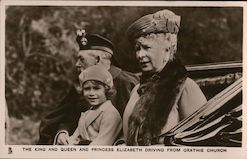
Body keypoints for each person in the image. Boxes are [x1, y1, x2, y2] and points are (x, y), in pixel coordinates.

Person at [38, 29, 139, 145]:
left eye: (81, 59)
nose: (77, 64)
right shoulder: (81, 83)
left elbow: (135, 128)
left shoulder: (128, 84)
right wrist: (62, 133)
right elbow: (65, 117)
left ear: (98, 60)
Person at [122, 9, 207, 146]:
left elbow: (199, 143)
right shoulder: (137, 89)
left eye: (146, 47)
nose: (140, 55)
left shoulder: (185, 87)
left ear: (167, 47)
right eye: (137, 48)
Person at [55, 65, 122, 145]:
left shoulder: (110, 114)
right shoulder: (87, 113)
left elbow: (101, 145)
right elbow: (74, 138)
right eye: (87, 89)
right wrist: (66, 140)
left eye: (96, 88)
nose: (91, 93)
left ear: (106, 89)